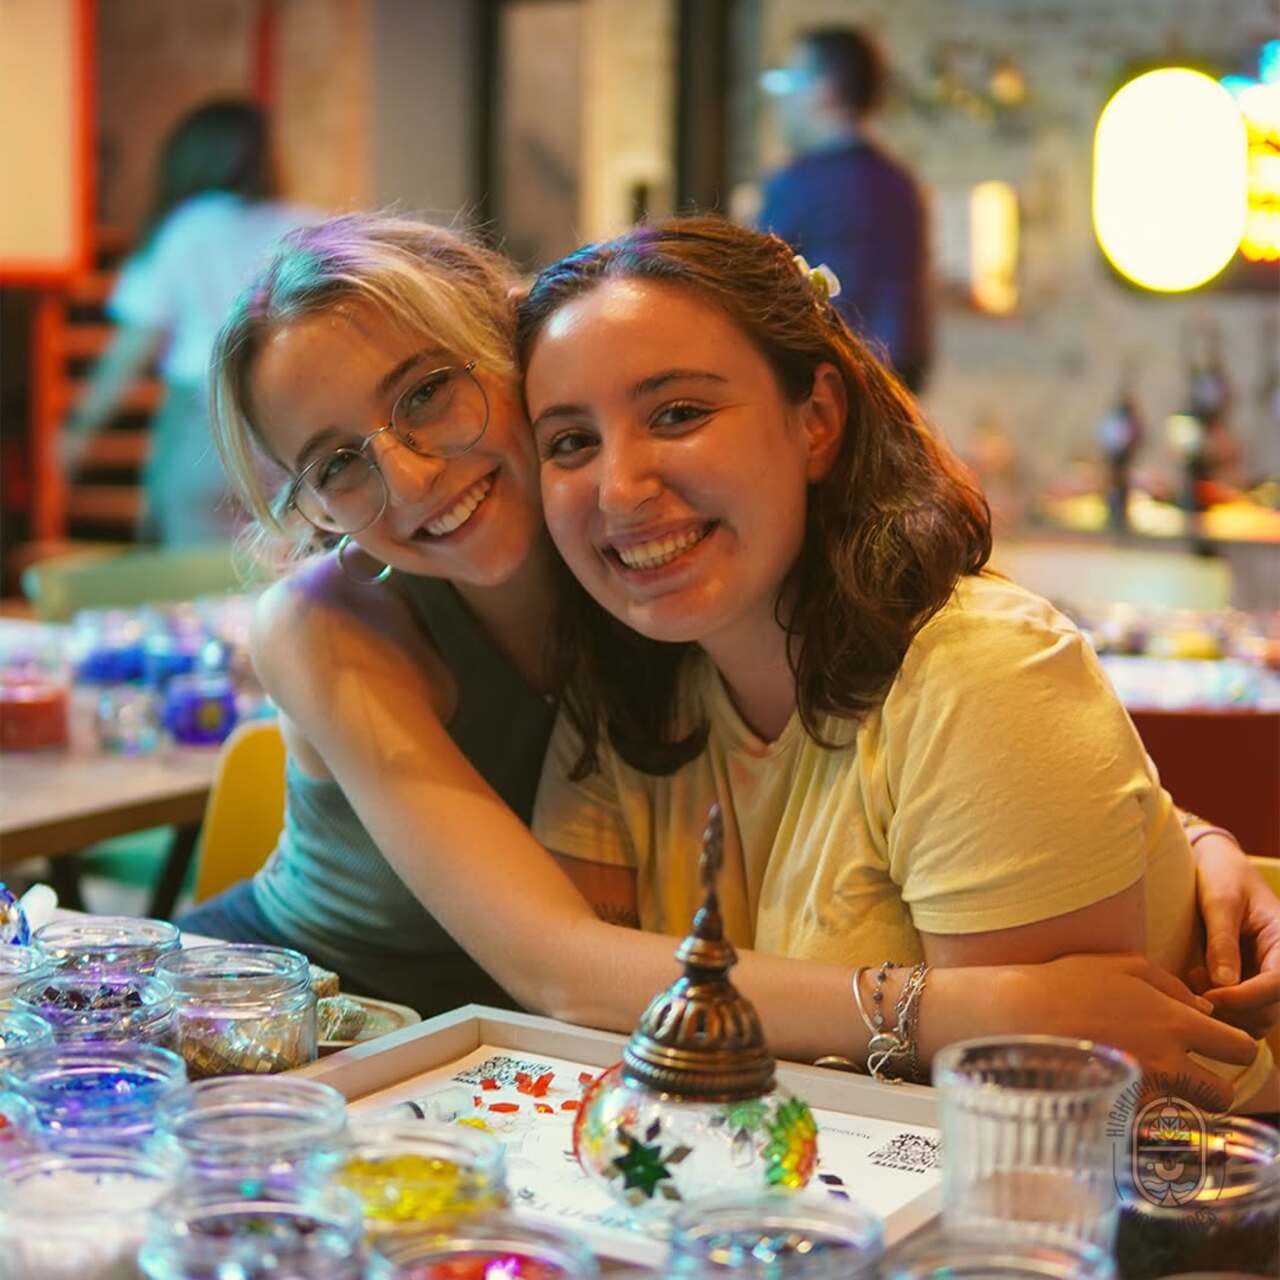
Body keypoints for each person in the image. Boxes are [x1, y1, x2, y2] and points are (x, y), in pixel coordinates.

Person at [196, 213, 1276, 1099]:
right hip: (308, 1027)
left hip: (506, 1054)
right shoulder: (358, 625)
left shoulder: (641, 587)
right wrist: (965, 1009)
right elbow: (559, 971)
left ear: (514, 360)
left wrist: (1186, 847)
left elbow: (975, 713)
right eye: (336, 464)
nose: (409, 473)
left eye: (427, 392)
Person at [517, 216, 1277, 1108]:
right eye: (570, 442)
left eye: (678, 414)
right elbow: (588, 1023)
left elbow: (1021, 1122)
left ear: (818, 421)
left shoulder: (979, 673)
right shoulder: (623, 690)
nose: (619, 490)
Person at [61, 99, 313, 546]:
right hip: (294, 423)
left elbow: (134, 345)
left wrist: (80, 428)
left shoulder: (186, 229)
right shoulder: (308, 227)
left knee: (194, 571)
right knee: (287, 567)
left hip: (203, 423)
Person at [758, 27, 931, 391]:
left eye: (790, 82)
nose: (782, 101)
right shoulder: (901, 185)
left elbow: (759, 300)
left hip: (823, 385)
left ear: (826, 89)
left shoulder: (799, 185)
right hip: (895, 387)